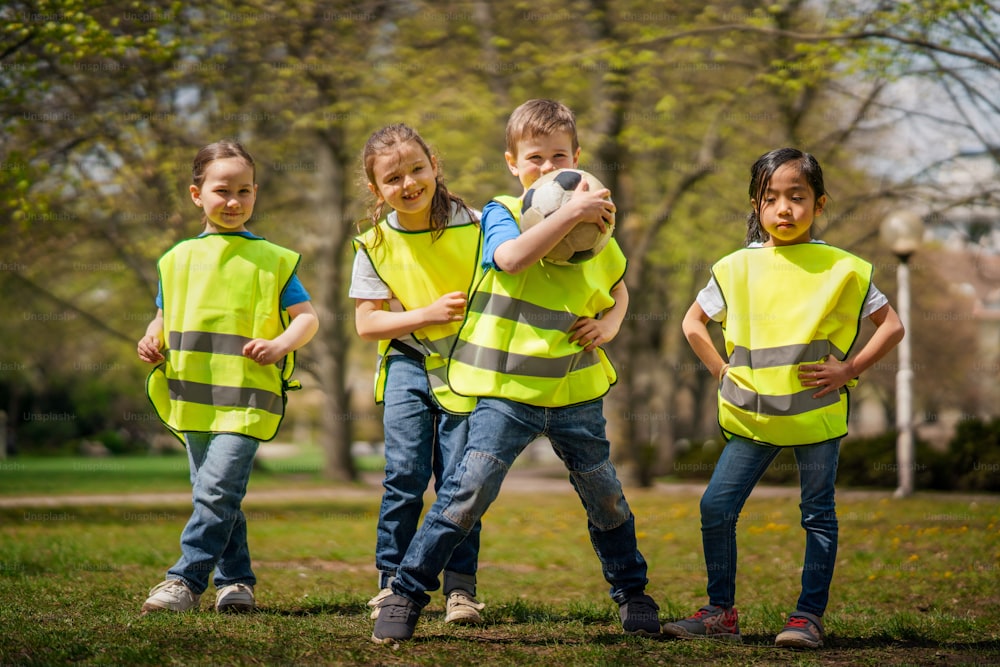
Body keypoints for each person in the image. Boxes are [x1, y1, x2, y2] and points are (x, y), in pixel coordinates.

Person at [370, 99, 662, 643]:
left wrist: (613, 324)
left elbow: (618, 284)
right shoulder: (501, 211)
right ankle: (408, 591)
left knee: (605, 496)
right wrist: (571, 214)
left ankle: (633, 592)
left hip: (575, 388)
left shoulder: (598, 218)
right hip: (507, 392)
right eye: (534, 158)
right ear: (512, 162)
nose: (548, 169)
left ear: (577, 158)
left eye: (559, 156)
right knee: (466, 489)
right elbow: (510, 260)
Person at [664, 147, 905, 648]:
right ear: (756, 206)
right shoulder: (734, 268)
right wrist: (720, 369)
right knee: (716, 507)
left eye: (797, 197)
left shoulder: (845, 268)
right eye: (770, 198)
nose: (784, 209)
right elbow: (692, 323)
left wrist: (850, 369)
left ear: (819, 204)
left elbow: (893, 326)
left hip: (816, 414)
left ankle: (807, 618)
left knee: (817, 514)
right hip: (752, 416)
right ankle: (720, 613)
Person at [137, 139, 319, 614]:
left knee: (217, 489)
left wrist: (280, 345)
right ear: (196, 194)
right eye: (222, 191)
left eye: (244, 191)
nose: (234, 201)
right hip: (191, 398)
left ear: (256, 193)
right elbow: (163, 316)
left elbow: (307, 319)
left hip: (248, 398)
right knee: (216, 493)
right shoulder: (175, 260)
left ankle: (184, 580)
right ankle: (236, 581)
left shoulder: (275, 260)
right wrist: (151, 338)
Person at [351, 123, 486, 625]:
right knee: (403, 478)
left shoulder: (475, 223)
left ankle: (460, 591)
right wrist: (425, 314)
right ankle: (391, 583)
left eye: (416, 169)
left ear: (435, 167)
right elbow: (368, 323)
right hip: (408, 361)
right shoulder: (373, 244)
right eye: (392, 178)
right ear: (375, 189)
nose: (408, 183)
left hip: (471, 366)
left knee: (459, 481)